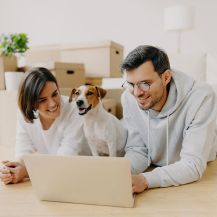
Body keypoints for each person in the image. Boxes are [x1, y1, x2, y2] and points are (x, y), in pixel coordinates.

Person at [121, 45, 217, 193]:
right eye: (131, 84)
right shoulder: (128, 97)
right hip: (156, 170)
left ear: (166, 77)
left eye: (145, 84)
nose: (136, 93)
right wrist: (120, 173)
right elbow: (138, 149)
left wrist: (146, 180)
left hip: (200, 170)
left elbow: (192, 164)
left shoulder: (201, 97)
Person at [0, 67, 90, 184]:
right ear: (31, 104)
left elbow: (65, 159)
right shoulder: (25, 113)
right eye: (42, 100)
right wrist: (12, 170)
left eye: (55, 94)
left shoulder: (73, 109)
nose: (52, 104)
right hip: (56, 174)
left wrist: (26, 171)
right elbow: (23, 151)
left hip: (82, 173)